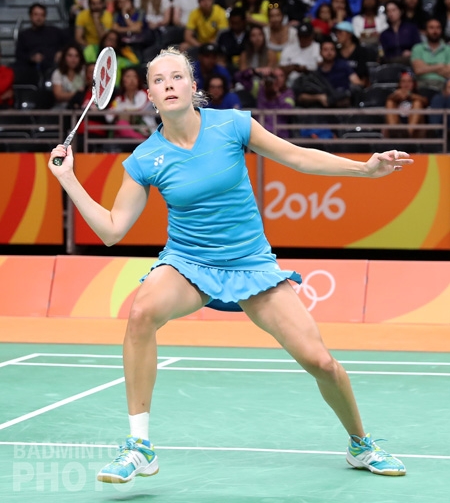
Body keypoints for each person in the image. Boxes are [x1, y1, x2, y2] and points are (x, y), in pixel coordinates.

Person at [48, 46, 409, 485]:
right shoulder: (145, 158)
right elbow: (111, 229)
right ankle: (139, 447)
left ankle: (360, 444)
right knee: (141, 313)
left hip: (250, 264)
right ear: (151, 97)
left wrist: (364, 170)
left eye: (177, 77)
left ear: (192, 86)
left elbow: (296, 156)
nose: (169, 85)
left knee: (322, 362)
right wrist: (68, 179)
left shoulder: (232, 124)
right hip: (188, 264)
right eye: (159, 80)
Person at [384, 71, 428, 138]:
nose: (406, 84)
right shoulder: (394, 97)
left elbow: (425, 102)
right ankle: (395, 135)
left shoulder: (419, 95)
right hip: (397, 128)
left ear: (414, 84)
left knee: (417, 103)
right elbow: (387, 99)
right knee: (390, 103)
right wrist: (396, 95)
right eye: (403, 81)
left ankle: (408, 135)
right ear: (399, 84)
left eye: (409, 81)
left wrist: (410, 95)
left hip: (415, 133)